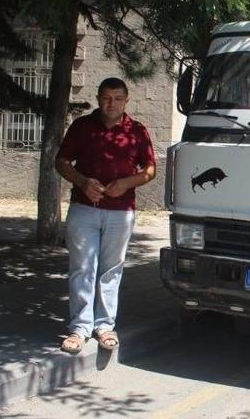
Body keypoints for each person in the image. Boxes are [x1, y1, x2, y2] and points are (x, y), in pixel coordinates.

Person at [55, 77, 156, 354]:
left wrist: (126, 183)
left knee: (111, 269)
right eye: (106, 97)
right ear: (99, 98)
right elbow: (61, 162)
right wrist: (83, 181)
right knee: (82, 268)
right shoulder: (82, 127)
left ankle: (104, 326)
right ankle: (79, 328)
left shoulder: (136, 131)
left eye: (117, 98)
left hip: (120, 212)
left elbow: (150, 170)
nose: (110, 103)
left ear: (126, 101)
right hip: (84, 209)